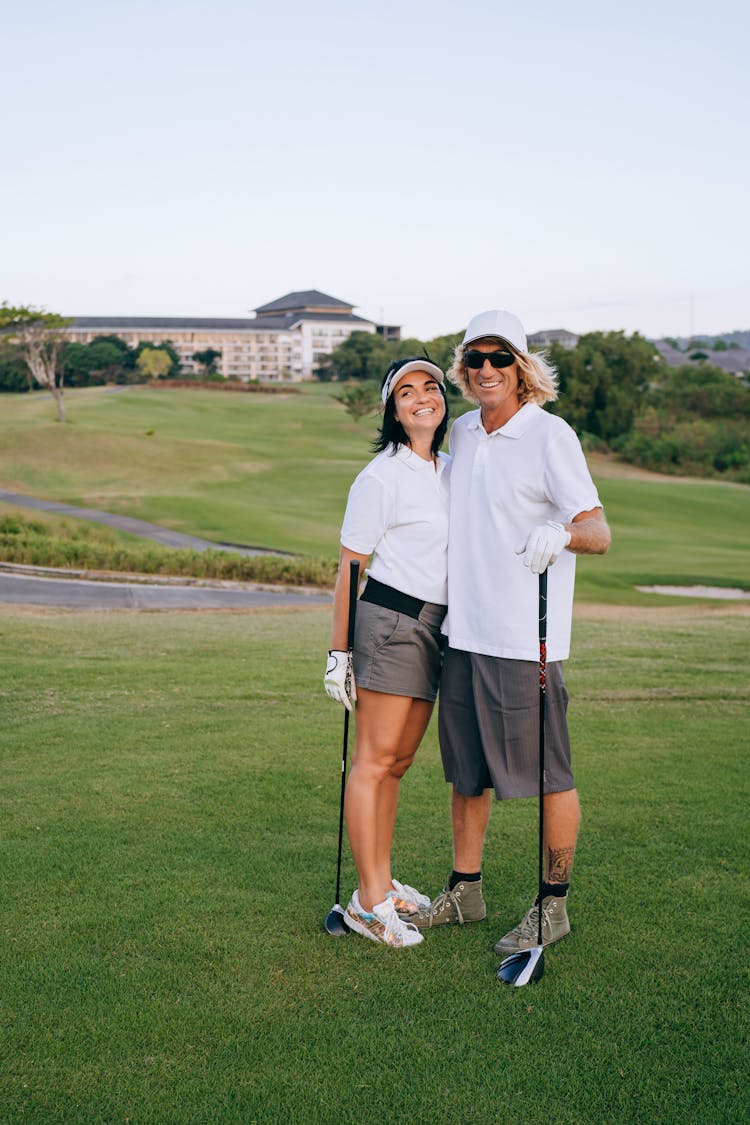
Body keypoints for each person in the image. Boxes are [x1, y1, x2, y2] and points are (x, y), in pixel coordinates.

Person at [409, 309, 611, 955]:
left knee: (550, 775)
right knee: (466, 775)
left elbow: (598, 530)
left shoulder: (551, 436)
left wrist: (563, 533)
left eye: (501, 358)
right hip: (463, 636)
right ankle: (465, 890)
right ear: (464, 370)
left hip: (526, 642)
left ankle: (553, 906)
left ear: (522, 369)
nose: (487, 369)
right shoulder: (462, 432)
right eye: (476, 359)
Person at [324, 355, 451, 947]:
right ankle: (369, 902)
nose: (422, 397)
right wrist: (338, 653)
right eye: (407, 391)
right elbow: (351, 565)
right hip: (390, 621)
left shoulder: (448, 469)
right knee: (374, 762)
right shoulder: (381, 476)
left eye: (431, 387)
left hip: (435, 627)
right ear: (393, 410)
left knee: (397, 764)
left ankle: (381, 880)